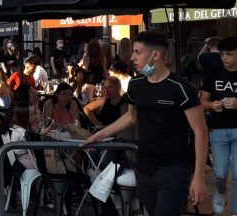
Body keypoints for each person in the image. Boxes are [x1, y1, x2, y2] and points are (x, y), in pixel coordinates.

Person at [83, 31, 208, 215]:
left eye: (137, 52)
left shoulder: (181, 87)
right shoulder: (136, 84)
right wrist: (97, 136)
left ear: (155, 55)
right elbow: (130, 118)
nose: (132, 57)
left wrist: (199, 177)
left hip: (174, 168)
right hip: (144, 166)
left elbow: (201, 132)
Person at [199, 36, 237, 215]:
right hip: (218, 130)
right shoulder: (214, 73)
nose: (224, 58)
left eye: (229, 54)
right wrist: (212, 105)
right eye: (222, 54)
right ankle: (220, 193)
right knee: (220, 174)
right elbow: (202, 101)